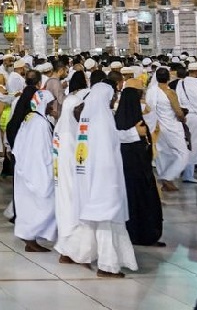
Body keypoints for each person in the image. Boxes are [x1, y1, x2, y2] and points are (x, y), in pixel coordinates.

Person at [73, 82, 139, 277]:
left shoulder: (88, 116)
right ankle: (107, 265)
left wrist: (134, 133)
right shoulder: (102, 116)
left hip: (88, 175)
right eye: (112, 96)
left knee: (96, 221)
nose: (114, 99)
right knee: (106, 221)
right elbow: (104, 148)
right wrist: (111, 182)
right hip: (104, 177)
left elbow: (111, 137)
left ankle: (84, 256)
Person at [115, 79, 164, 247]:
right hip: (136, 171)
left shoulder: (124, 118)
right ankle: (141, 234)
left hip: (133, 171)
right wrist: (134, 133)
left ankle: (143, 233)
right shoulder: (122, 124)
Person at [11, 88, 57, 252]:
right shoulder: (40, 124)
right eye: (50, 104)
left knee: (31, 206)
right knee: (46, 205)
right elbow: (42, 151)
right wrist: (47, 173)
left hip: (27, 169)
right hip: (36, 170)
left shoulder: (33, 119)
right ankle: (29, 236)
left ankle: (30, 237)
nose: (52, 107)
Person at [53, 71, 91, 263]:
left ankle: (67, 251)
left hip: (64, 184)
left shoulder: (63, 128)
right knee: (72, 213)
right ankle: (69, 251)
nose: (81, 113)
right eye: (79, 110)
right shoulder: (68, 135)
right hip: (69, 184)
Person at [150, 68, 190, 192]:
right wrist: (183, 119)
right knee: (184, 154)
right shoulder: (169, 92)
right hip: (171, 127)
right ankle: (167, 177)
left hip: (157, 127)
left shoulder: (151, 91)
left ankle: (167, 180)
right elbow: (178, 112)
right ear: (168, 78)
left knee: (164, 154)